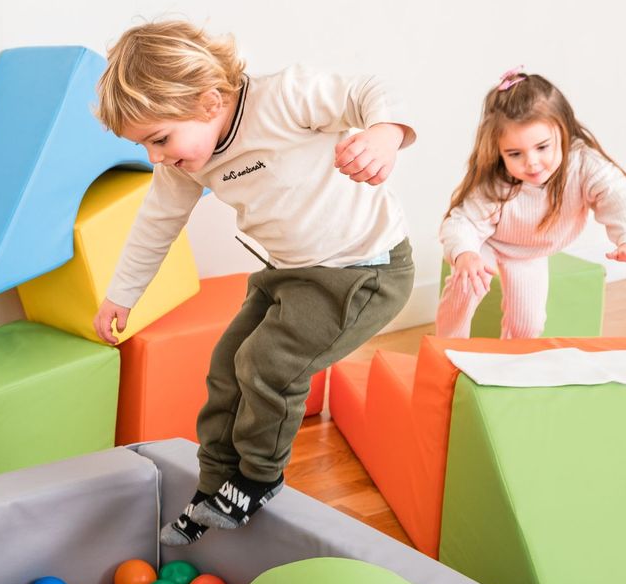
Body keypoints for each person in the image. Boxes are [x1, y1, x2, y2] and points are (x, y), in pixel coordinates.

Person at [92, 19, 416, 545]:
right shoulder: (181, 165)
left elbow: (371, 91)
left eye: (159, 139)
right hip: (288, 272)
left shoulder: (284, 98)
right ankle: (215, 482)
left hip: (362, 271)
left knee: (266, 366)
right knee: (226, 365)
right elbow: (155, 227)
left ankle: (257, 479)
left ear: (208, 100)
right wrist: (120, 296)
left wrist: (386, 133)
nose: (156, 157)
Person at [437, 66, 626, 339]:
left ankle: (510, 366)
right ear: (499, 150)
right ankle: (446, 348)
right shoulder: (497, 182)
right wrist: (465, 254)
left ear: (562, 130)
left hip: (531, 253)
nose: (532, 162)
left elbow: (617, 195)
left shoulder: (583, 164)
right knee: (467, 284)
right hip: (487, 242)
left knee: (529, 326)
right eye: (514, 153)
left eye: (542, 147)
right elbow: (462, 222)